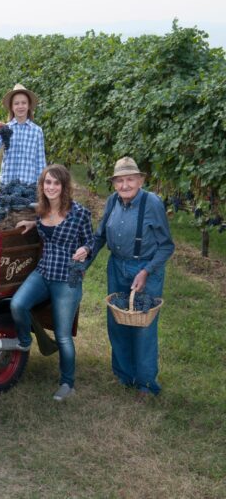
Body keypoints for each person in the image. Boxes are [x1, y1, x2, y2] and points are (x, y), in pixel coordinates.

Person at [0, 165, 94, 401]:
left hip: (67, 278)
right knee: (18, 304)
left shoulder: (78, 213)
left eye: (56, 183)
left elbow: (91, 240)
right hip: (44, 272)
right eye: (47, 182)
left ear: (64, 187)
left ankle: (67, 384)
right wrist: (32, 224)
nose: (51, 187)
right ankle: (24, 341)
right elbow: (41, 227)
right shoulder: (41, 210)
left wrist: (86, 249)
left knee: (62, 335)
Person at [88, 157, 174, 400]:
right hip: (117, 267)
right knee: (118, 322)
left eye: (130, 179)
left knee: (143, 326)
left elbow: (166, 246)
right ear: (114, 183)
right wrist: (84, 263)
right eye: (120, 180)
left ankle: (146, 383)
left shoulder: (152, 203)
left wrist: (146, 271)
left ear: (140, 180)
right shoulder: (112, 201)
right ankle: (124, 375)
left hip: (146, 268)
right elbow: (99, 236)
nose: (125, 185)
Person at [0, 84, 46, 186]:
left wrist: (41, 187)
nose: (20, 106)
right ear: (12, 107)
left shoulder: (37, 131)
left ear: (29, 105)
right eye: (16, 103)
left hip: (28, 186)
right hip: (7, 185)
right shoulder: (6, 129)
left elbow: (40, 163)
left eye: (24, 103)